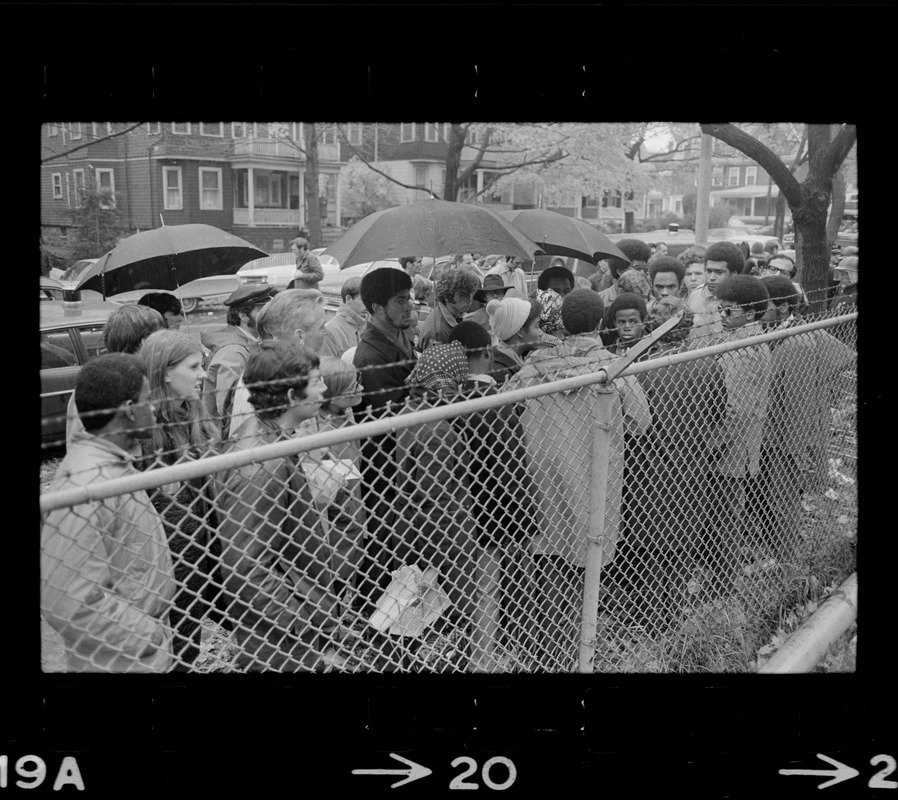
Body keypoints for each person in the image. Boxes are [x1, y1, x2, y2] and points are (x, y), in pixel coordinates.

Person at [502, 289, 651, 670]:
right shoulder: (613, 367)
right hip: (592, 476)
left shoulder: (532, 367)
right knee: (585, 561)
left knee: (547, 558)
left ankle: (546, 649)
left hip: (540, 480)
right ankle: (576, 648)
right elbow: (640, 421)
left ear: (563, 323)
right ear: (602, 323)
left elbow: (503, 412)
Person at [41, 354, 176, 672]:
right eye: (148, 400)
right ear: (130, 410)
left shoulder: (110, 464)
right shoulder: (89, 485)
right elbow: (66, 601)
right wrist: (147, 636)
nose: (154, 407)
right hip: (122, 661)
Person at [215, 340, 339, 671]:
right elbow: (246, 565)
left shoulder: (271, 441)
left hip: (288, 624)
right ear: (289, 396)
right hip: (279, 637)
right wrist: (296, 620)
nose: (325, 388)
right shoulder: (261, 465)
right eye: (316, 381)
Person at [611, 297, 726, 630]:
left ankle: (651, 619)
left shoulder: (638, 367)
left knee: (648, 549)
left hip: (647, 469)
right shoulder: (708, 364)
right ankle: (675, 617)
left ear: (654, 325)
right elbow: (718, 415)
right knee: (682, 546)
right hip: (691, 467)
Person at [449, 322, 542, 670]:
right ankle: (500, 654)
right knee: (514, 585)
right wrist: (529, 512)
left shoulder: (450, 400)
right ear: (488, 352)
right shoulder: (497, 401)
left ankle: (484, 652)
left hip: (472, 509)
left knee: (483, 587)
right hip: (508, 510)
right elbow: (512, 463)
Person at [136, 329, 228, 670]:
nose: (204, 374)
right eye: (194, 367)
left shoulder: (192, 414)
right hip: (161, 565)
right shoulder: (142, 431)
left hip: (197, 556)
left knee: (188, 648)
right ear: (164, 373)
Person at [745, 277, 855, 559]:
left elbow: (797, 404)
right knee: (770, 498)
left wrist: (795, 453)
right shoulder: (790, 332)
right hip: (776, 434)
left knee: (780, 500)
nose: (757, 311)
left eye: (763, 306)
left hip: (784, 440)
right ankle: (779, 550)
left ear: (782, 308)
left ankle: (785, 559)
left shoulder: (797, 345)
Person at [352, 268, 418, 616]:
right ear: (377, 308)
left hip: (405, 463)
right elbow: (385, 421)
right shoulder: (371, 356)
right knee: (384, 543)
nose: (409, 307)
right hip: (386, 466)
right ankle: (373, 611)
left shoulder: (400, 336)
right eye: (400, 301)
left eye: (409, 298)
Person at [702, 274, 773, 596]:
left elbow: (737, 409)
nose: (722, 315)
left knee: (724, 520)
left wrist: (708, 445)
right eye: (720, 309)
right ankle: (720, 582)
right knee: (723, 517)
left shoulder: (745, 350)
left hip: (731, 449)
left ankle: (723, 588)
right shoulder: (744, 339)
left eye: (729, 311)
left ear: (751, 311)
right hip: (733, 444)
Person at [228, 288, 328, 439]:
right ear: (300, 336)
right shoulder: (264, 380)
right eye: (321, 327)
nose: (326, 332)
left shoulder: (295, 368)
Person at [65, 304, 167, 447]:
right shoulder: (94, 389)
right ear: (145, 341)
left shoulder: (154, 377)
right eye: (162, 336)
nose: (167, 343)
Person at [200, 284, 278, 439]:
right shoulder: (233, 353)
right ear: (243, 316)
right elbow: (230, 409)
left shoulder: (251, 341)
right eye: (263, 311)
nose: (271, 316)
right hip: (231, 440)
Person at [687, 240, 745, 341]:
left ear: (734, 274)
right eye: (709, 271)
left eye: (719, 272)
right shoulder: (695, 294)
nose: (711, 277)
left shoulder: (743, 303)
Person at [416, 268, 481, 352]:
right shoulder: (439, 331)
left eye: (470, 294)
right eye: (462, 295)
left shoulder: (454, 316)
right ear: (447, 295)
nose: (469, 300)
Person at [486, 296, 543, 384]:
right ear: (520, 332)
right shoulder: (501, 373)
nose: (541, 333)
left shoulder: (510, 359)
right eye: (537, 326)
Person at [321, 275, 367, 358]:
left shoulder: (367, 327)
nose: (367, 305)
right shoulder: (330, 330)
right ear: (348, 298)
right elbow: (326, 368)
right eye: (363, 300)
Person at [536, 266, 575, 338]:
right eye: (556, 291)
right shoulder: (533, 323)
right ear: (543, 294)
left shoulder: (575, 323)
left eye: (567, 292)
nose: (562, 296)